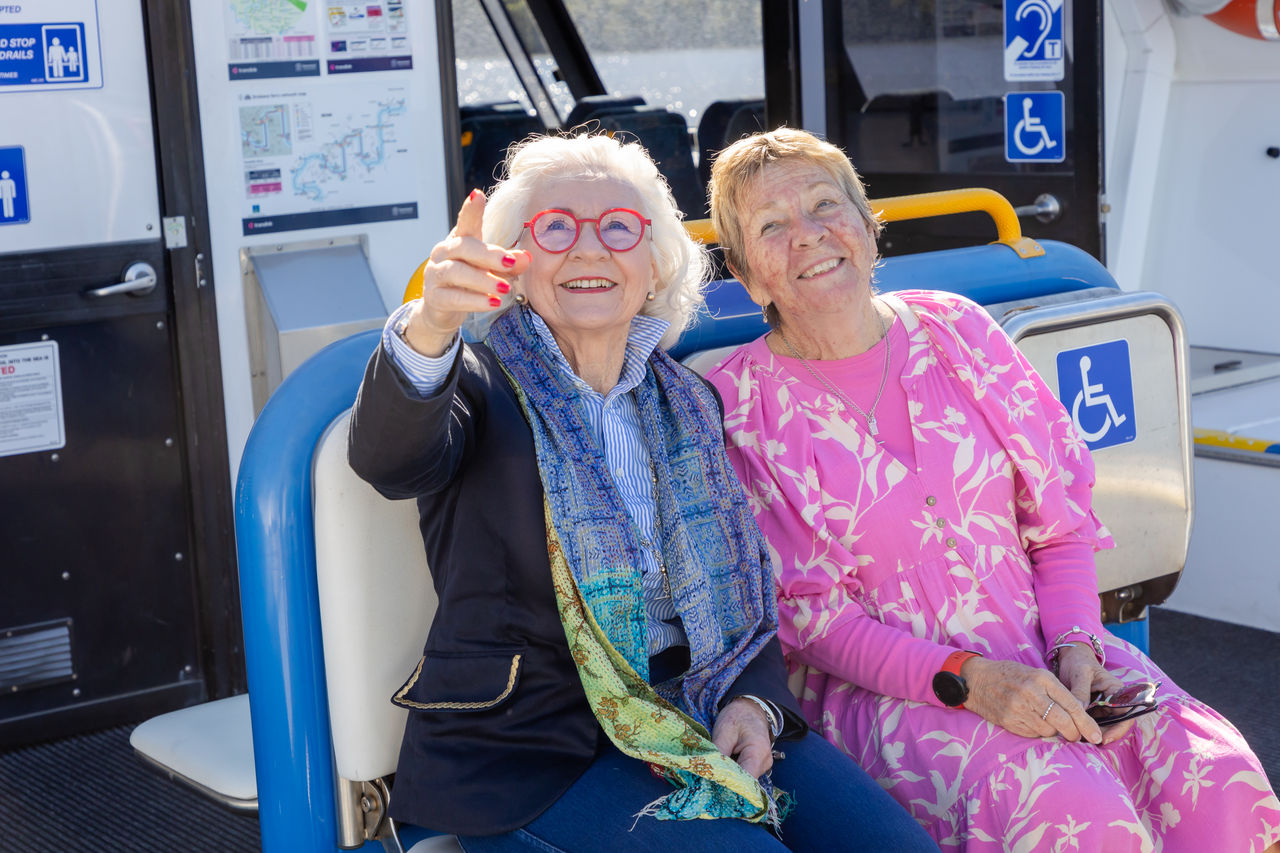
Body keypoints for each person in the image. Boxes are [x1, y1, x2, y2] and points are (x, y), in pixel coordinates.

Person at [347, 132, 935, 853]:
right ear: (512, 264)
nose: (590, 250)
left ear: (653, 262)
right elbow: (390, 458)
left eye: (619, 228)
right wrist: (431, 322)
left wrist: (753, 701)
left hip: (700, 703)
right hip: (531, 750)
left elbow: (743, 598)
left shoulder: (688, 400)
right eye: (556, 227)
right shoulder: (473, 383)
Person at [704, 127, 1280, 852]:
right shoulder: (740, 410)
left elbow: (1060, 522)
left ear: (866, 223)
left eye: (826, 205)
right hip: (896, 691)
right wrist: (972, 680)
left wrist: (1077, 641)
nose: (809, 236)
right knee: (1076, 810)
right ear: (745, 271)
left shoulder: (959, 331)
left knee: (1219, 775)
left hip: (1048, 641)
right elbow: (816, 626)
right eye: (772, 226)